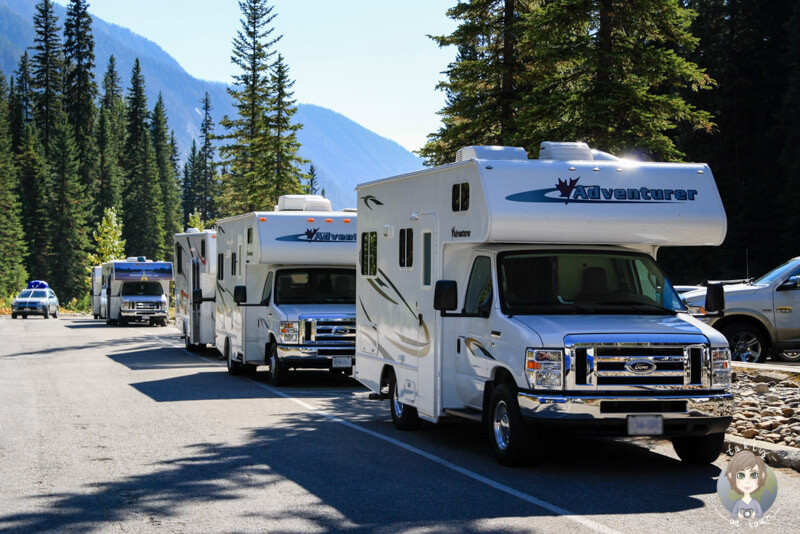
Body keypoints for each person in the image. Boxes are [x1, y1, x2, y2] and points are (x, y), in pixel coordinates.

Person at [725, 450, 767, 519]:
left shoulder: (755, 503)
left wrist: (752, 514)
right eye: (741, 475)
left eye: (754, 475)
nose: (747, 481)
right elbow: (734, 514)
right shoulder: (738, 503)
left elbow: (759, 514)